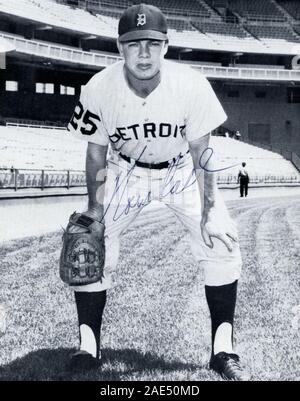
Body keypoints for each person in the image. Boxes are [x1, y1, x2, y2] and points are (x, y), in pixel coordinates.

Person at [66, 3, 248, 380]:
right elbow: (96, 151)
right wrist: (94, 208)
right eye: (134, 44)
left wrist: (211, 210)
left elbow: (203, 154)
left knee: (222, 241)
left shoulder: (191, 84)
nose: (144, 53)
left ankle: (222, 349)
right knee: (89, 241)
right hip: (126, 170)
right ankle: (87, 347)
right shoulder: (100, 87)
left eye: (152, 43)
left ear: (166, 45)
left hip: (180, 170)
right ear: (120, 48)